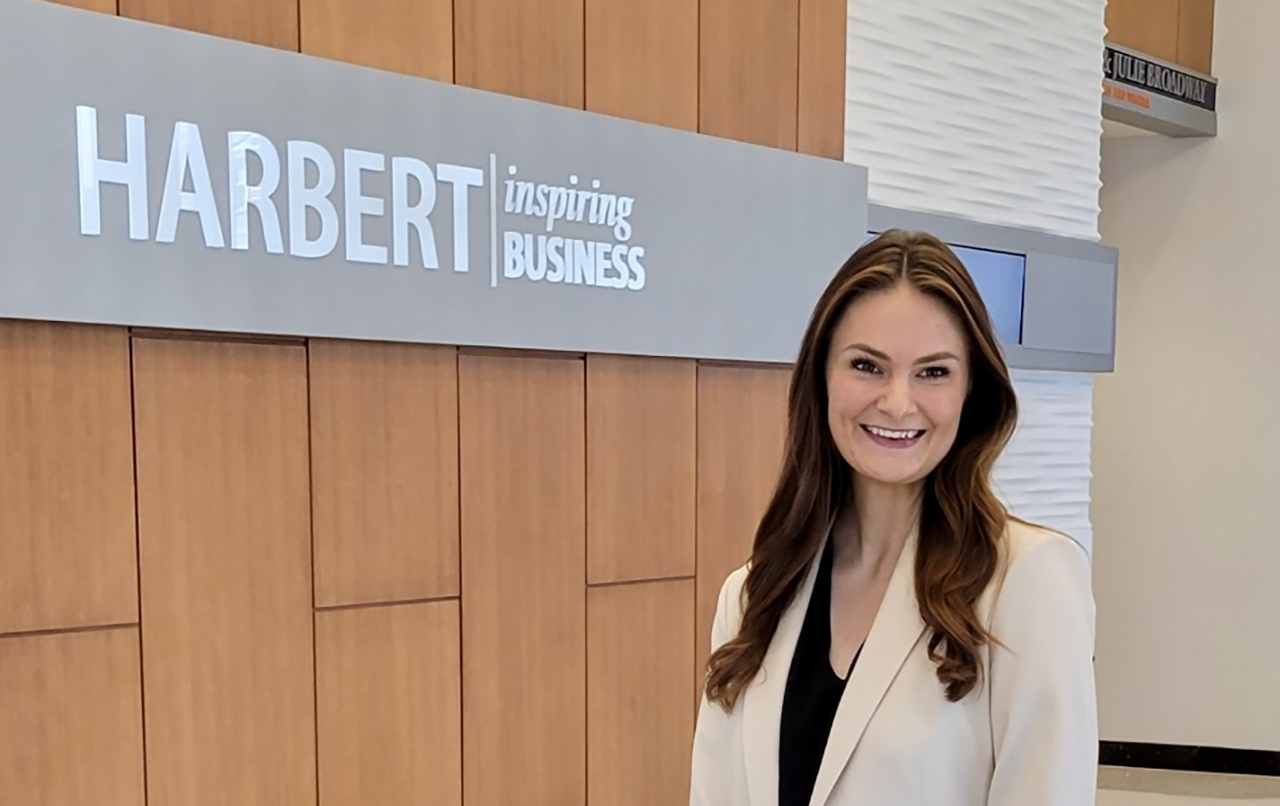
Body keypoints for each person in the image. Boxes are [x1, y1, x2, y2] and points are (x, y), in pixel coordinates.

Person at [687, 229, 1097, 806]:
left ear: (971, 391)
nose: (898, 403)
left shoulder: (1026, 582)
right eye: (867, 366)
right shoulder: (754, 595)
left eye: (933, 372)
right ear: (822, 378)